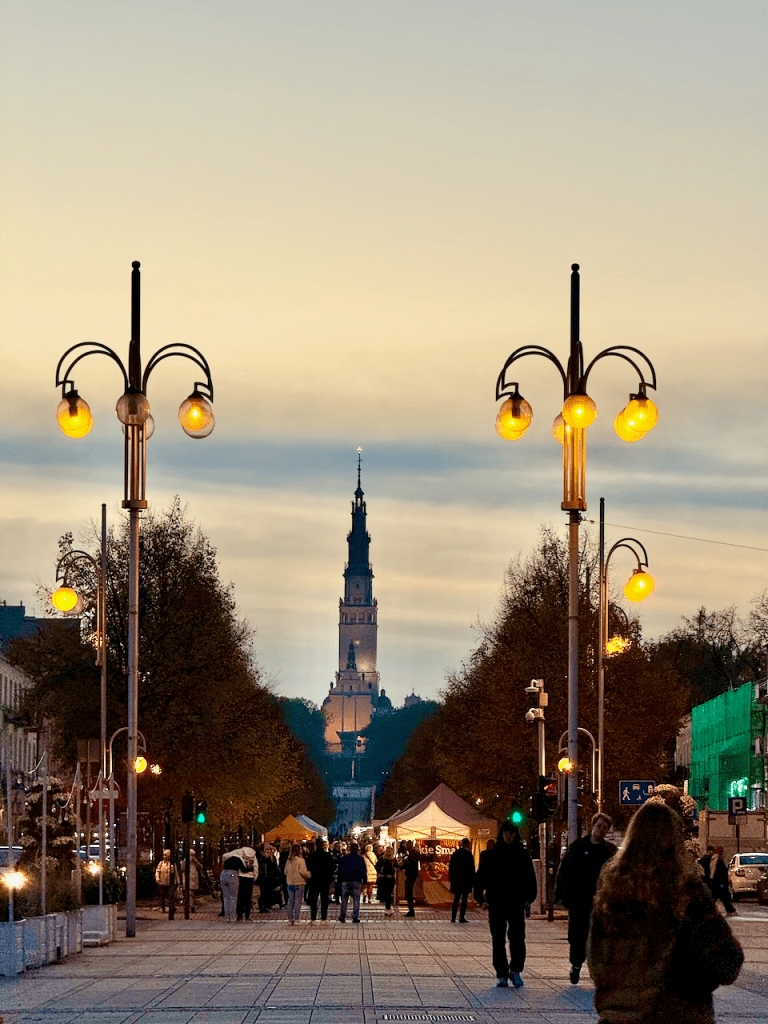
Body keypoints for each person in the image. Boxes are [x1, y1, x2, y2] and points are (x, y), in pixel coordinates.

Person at [588, 801, 743, 1023]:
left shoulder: (611, 895)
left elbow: (597, 964)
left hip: (619, 1017)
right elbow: (727, 961)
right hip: (677, 1015)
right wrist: (695, 986)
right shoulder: (687, 894)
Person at [555, 811, 617, 984]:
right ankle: (576, 965)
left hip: (600, 902)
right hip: (579, 900)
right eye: (599, 826)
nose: (601, 830)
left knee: (598, 937)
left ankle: (595, 969)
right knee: (577, 936)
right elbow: (565, 870)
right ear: (593, 826)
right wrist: (562, 895)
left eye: (605, 828)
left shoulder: (609, 851)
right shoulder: (578, 847)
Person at [474, 820, 537, 989]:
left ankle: (515, 969)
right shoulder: (491, 856)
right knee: (498, 938)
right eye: (506, 833)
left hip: (516, 902)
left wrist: (529, 898)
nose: (509, 836)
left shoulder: (522, 856)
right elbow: (481, 879)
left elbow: (530, 879)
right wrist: (481, 899)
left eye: (512, 833)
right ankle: (501, 973)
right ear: (501, 834)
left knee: (517, 938)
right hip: (497, 902)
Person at [306, 838, 335, 922]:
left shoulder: (311, 856)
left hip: (314, 880)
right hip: (324, 880)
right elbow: (331, 869)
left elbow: (308, 868)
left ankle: (313, 917)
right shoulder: (328, 855)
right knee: (324, 900)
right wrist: (330, 879)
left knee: (314, 900)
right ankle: (323, 917)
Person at [338, 840, 367, 923]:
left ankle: (342, 916)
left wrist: (339, 880)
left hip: (345, 880)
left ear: (350, 849)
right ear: (357, 849)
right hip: (356, 881)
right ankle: (355, 917)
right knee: (356, 900)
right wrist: (364, 881)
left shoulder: (344, 858)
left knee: (344, 899)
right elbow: (363, 871)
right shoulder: (360, 859)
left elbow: (340, 870)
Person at [449, 837, 476, 923]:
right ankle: (461, 917)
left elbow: (451, 868)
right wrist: (473, 881)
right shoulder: (469, 854)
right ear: (467, 844)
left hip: (457, 880)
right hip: (466, 881)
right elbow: (471, 869)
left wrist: (452, 879)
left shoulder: (455, 853)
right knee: (464, 899)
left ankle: (453, 917)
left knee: (456, 898)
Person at [284, 843, 311, 925]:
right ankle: (296, 918)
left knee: (290, 900)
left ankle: (290, 919)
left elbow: (285, 871)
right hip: (299, 882)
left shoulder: (289, 860)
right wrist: (309, 874)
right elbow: (303, 871)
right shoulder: (300, 860)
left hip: (290, 882)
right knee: (297, 901)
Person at [221, 847, 246, 923]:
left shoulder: (227, 858)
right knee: (233, 897)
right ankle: (232, 917)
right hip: (232, 874)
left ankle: (227, 917)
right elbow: (243, 869)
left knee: (226, 898)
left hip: (223, 874)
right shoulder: (237, 858)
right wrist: (251, 868)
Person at [710, 846, 737, 915]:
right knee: (724, 898)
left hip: (715, 882)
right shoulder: (719, 861)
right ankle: (730, 911)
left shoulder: (714, 860)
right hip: (719, 882)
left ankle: (729, 910)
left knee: (716, 897)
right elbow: (721, 873)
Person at [398, 841, 420, 917]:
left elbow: (411, 863)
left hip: (411, 875)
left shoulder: (412, 853)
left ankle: (411, 910)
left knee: (408, 893)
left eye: (407, 845)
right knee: (408, 893)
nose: (406, 846)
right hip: (412, 874)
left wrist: (405, 862)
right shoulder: (412, 853)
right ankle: (411, 910)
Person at [154, 849, 179, 913]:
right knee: (163, 896)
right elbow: (157, 871)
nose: (164, 856)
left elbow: (175, 872)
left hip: (170, 882)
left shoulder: (172, 863)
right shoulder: (161, 863)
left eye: (166, 855)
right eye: (164, 855)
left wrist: (178, 881)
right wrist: (158, 878)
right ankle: (163, 907)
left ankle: (171, 907)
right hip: (163, 882)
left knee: (171, 895)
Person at [236, 846, 257, 922]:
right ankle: (247, 915)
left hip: (241, 876)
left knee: (240, 896)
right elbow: (255, 866)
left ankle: (240, 915)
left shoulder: (239, 853)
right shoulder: (253, 854)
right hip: (250, 877)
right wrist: (254, 875)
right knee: (248, 897)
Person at [376, 846, 397, 916]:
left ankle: (387, 908)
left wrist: (379, 872)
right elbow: (397, 866)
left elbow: (377, 866)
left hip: (383, 878)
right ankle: (388, 908)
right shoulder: (393, 859)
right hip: (390, 878)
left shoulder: (382, 858)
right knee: (388, 893)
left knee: (386, 894)